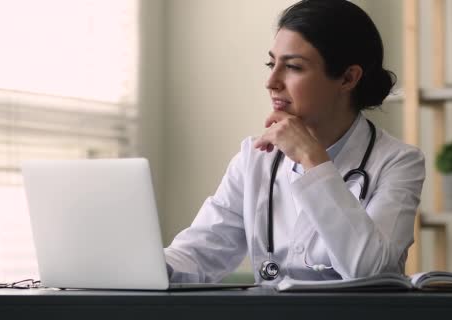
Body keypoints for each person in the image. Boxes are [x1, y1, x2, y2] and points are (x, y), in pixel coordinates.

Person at [164, 0, 425, 284]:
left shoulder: (398, 162)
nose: (271, 81)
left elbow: (375, 274)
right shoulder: (255, 158)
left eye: (293, 67)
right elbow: (198, 254)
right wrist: (147, 265)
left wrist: (312, 160)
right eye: (271, 63)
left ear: (348, 78)